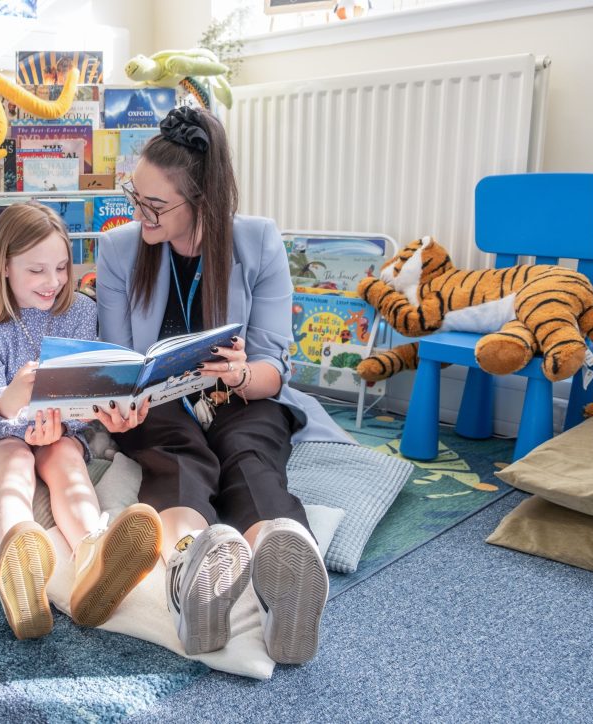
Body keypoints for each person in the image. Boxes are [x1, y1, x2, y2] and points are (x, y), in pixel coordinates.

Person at [93, 107, 355, 664]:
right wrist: (120, 403)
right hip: (157, 405)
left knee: (250, 454)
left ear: (203, 202)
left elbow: (274, 368)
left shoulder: (257, 242)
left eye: (155, 204)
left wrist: (238, 374)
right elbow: (121, 361)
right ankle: (194, 564)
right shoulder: (119, 249)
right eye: (133, 195)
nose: (138, 212)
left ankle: (283, 564)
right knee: (178, 457)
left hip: (238, 395)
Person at [0, 201, 162, 641]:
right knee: (16, 463)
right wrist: (14, 399)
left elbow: (85, 391)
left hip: (59, 427)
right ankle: (16, 562)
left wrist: (71, 423)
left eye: (61, 267)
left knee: (66, 463)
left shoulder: (81, 310)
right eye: (37, 270)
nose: (54, 281)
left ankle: (95, 557)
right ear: (4, 266)